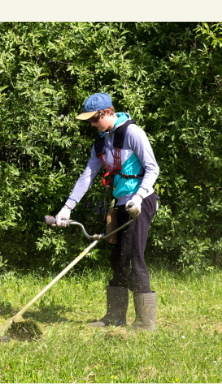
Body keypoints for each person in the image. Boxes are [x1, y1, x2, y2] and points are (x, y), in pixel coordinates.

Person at [53, 93, 159, 331]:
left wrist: (139, 197)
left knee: (133, 257)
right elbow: (87, 176)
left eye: (94, 119)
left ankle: (145, 323)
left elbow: (153, 169)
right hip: (121, 203)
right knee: (118, 259)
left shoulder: (133, 133)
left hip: (141, 201)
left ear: (108, 112)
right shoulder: (101, 142)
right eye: (89, 121)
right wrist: (66, 208)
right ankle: (114, 317)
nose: (91, 125)